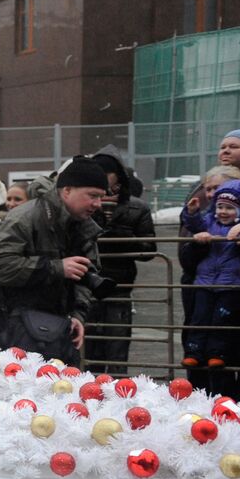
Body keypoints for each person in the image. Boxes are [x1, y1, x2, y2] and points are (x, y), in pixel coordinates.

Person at [0, 156, 107, 365]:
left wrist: (78, 315)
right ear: (67, 191)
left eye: (101, 197)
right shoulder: (25, 218)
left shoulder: (83, 226)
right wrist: (55, 267)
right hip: (12, 330)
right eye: (92, 195)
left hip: (60, 331)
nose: (97, 204)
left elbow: (87, 275)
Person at [179, 179, 240, 392]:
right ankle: (194, 353)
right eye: (220, 206)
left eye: (229, 208)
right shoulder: (209, 221)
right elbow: (194, 225)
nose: (223, 211)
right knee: (200, 318)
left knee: (222, 320)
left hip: (233, 283)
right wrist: (191, 214)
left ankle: (217, 355)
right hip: (206, 280)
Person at [85, 148, 156, 375]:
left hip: (120, 286)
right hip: (88, 286)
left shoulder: (137, 207)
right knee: (90, 351)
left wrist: (123, 239)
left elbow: (149, 250)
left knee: (117, 348)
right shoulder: (84, 203)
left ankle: (118, 393)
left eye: (108, 172)